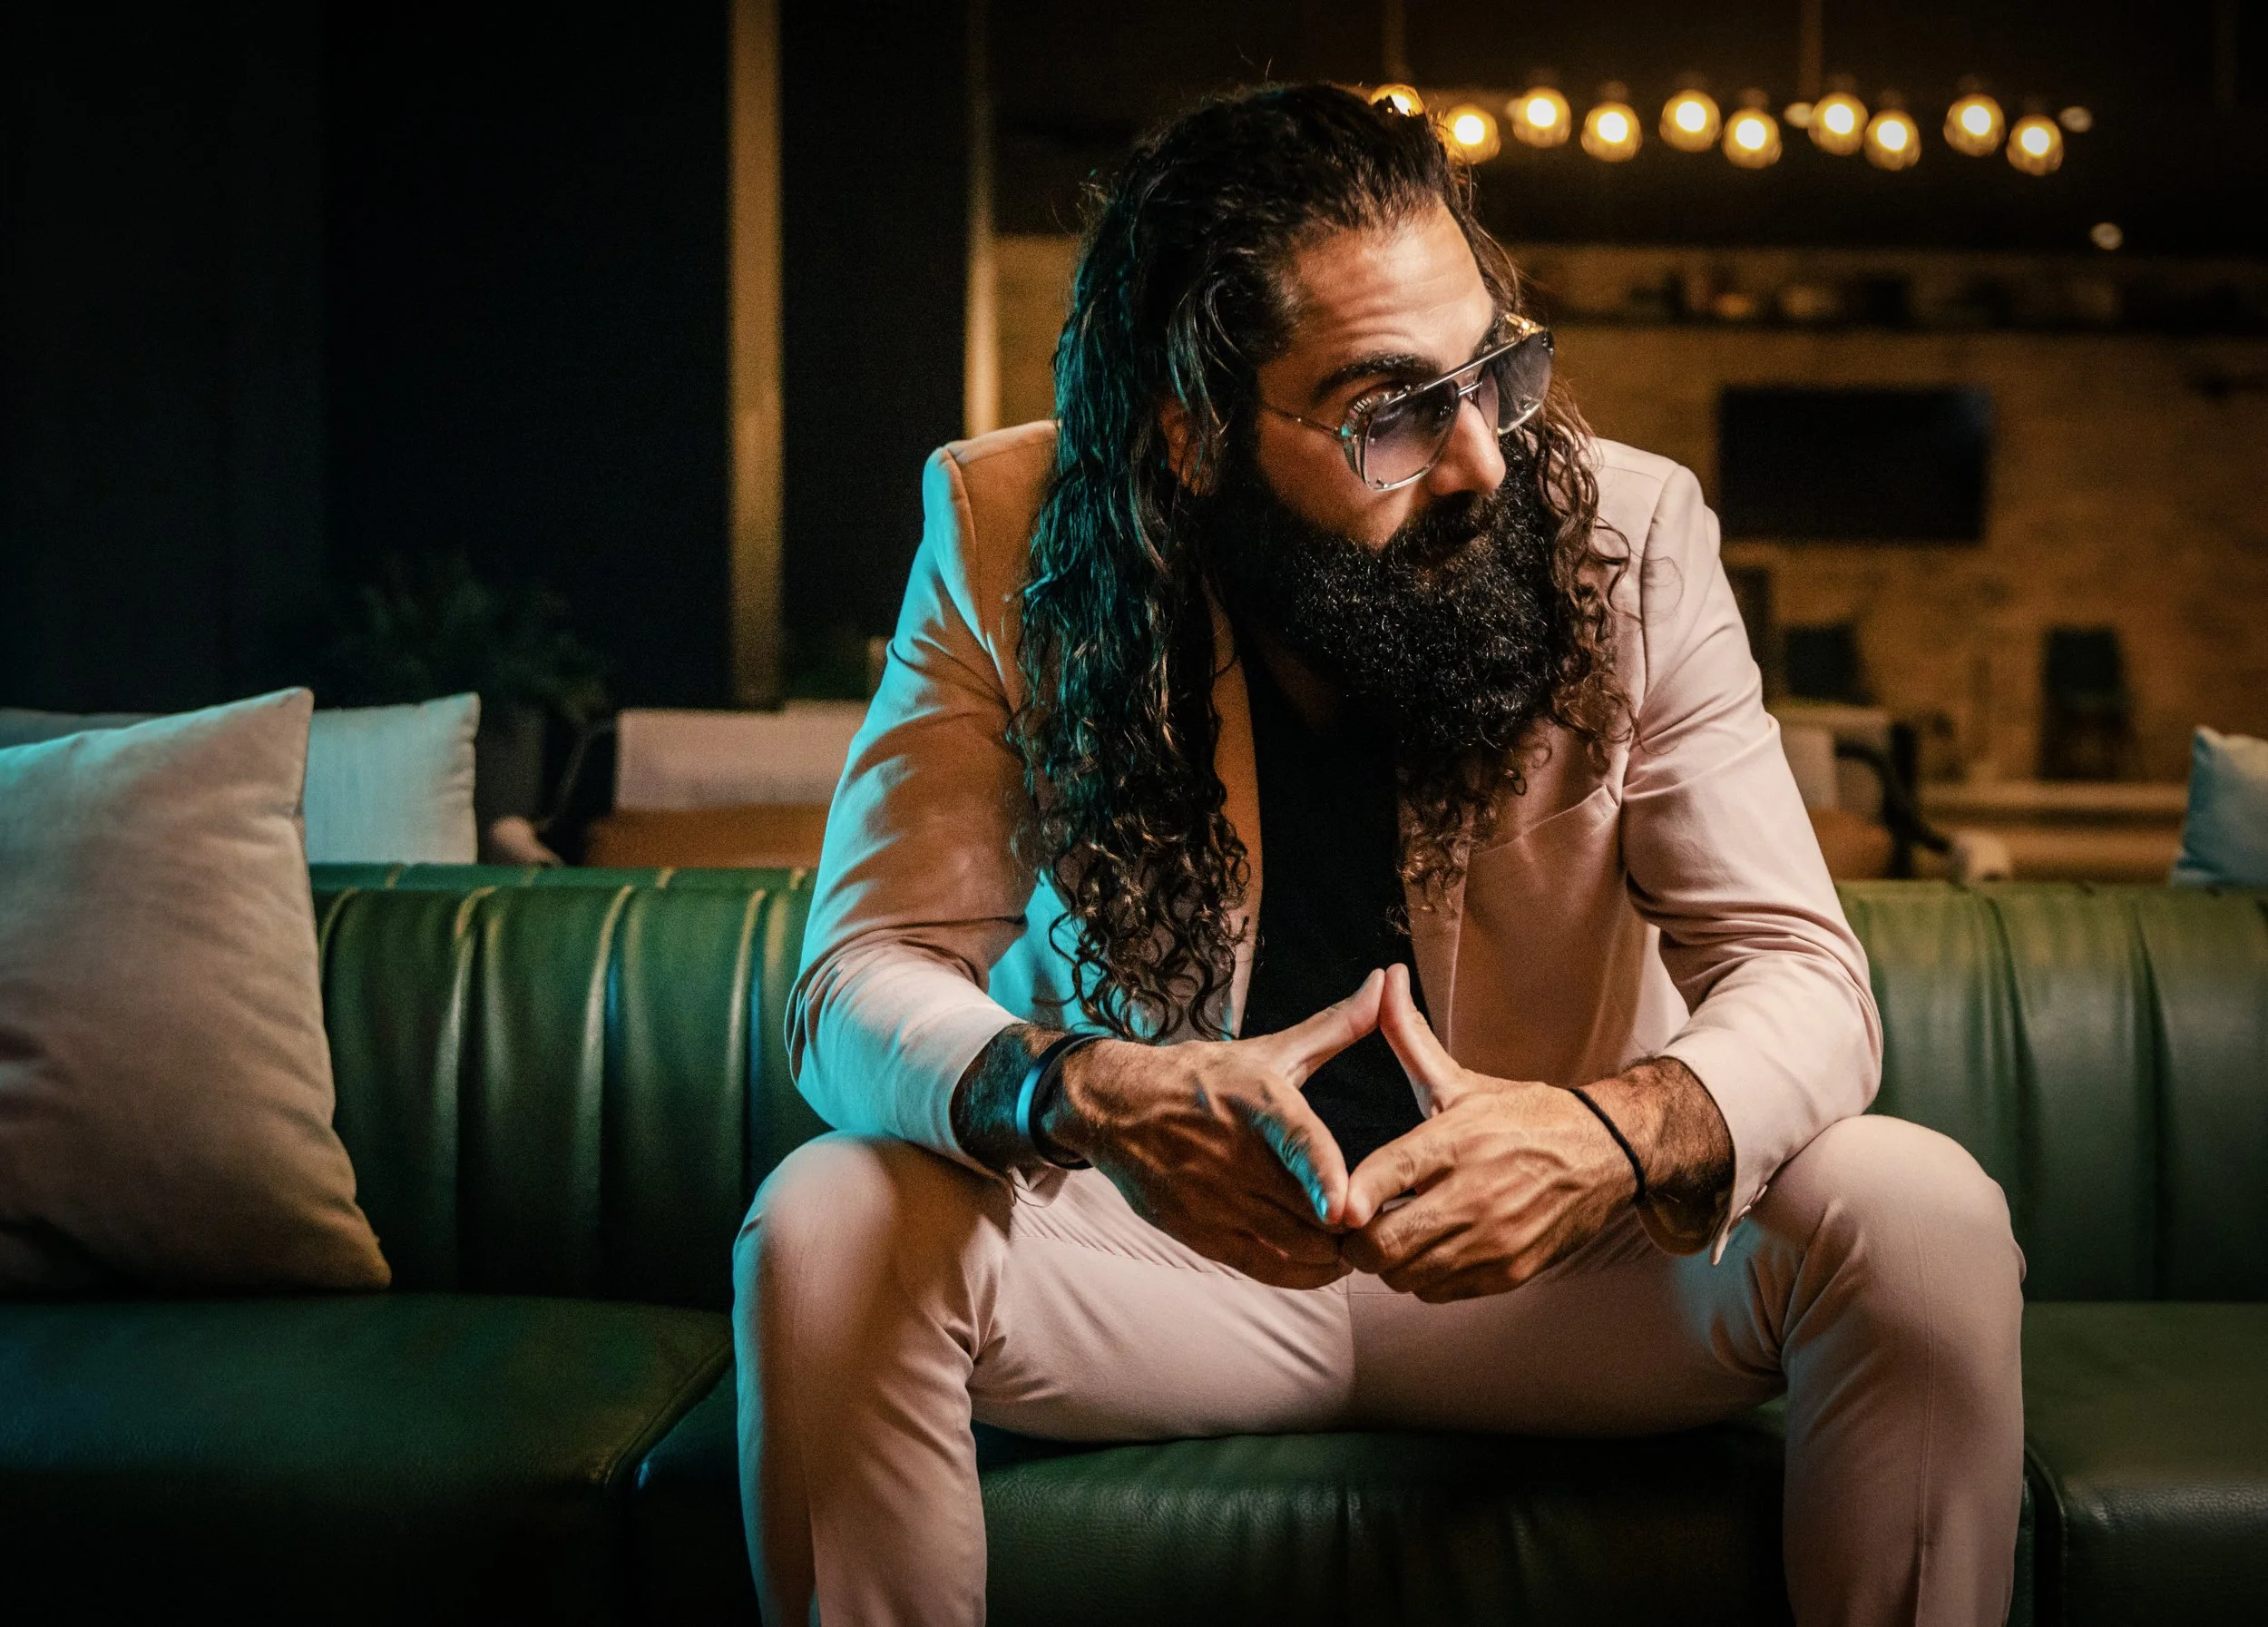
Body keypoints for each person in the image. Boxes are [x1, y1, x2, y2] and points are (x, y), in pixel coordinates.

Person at [735, 83, 2023, 1626]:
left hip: (1561, 1274)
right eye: (1395, 410)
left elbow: (1806, 975)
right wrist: (1079, 1089)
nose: (1481, 457)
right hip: (1171, 1273)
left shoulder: (1630, 533)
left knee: (1926, 1210)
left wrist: (1606, 1138)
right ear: (1193, 426)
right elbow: (856, 976)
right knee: (822, 1218)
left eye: (1499, 373)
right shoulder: (1004, 529)